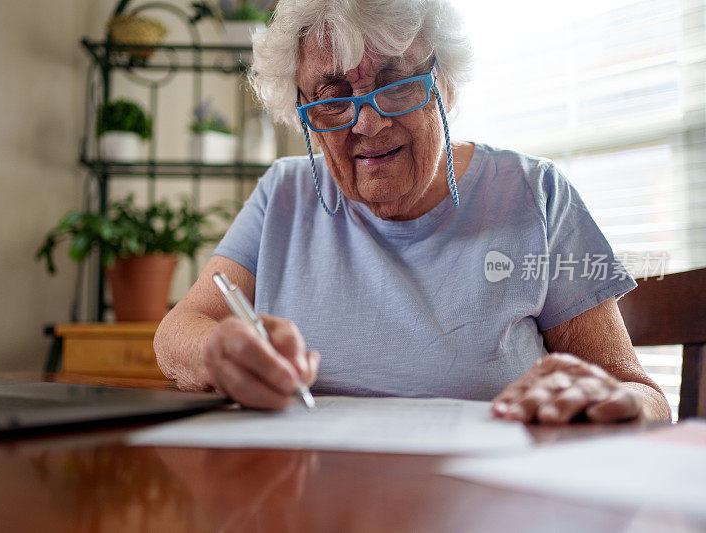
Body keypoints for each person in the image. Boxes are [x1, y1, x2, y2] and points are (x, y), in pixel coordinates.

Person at [154, 0, 671, 424]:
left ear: (443, 82)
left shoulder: (533, 195)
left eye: (396, 82)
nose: (368, 123)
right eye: (333, 99)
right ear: (305, 117)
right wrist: (217, 350)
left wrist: (619, 405)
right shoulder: (282, 195)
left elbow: (643, 395)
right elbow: (177, 332)